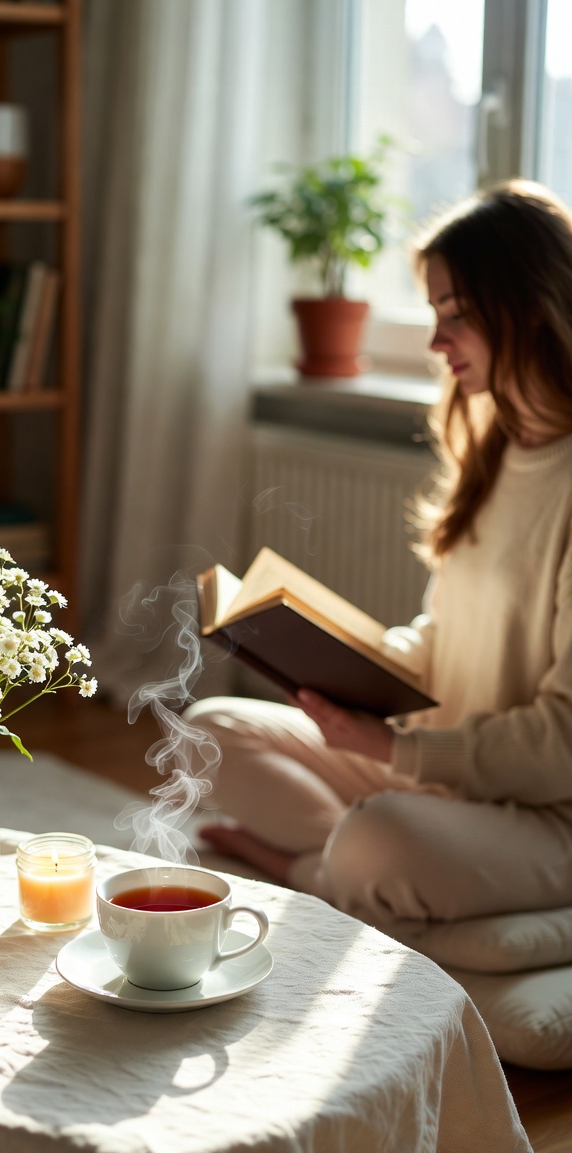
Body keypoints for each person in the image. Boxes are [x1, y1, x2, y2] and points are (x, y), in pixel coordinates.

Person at [184, 178, 572, 935]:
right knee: (209, 730)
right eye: (433, 315)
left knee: (378, 837)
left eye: (454, 316)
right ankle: (360, 873)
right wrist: (336, 661)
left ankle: (315, 871)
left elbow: (563, 744)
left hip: (542, 812)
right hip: (444, 769)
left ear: (529, 309)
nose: (435, 343)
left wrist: (398, 750)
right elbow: (442, 638)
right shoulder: (493, 453)